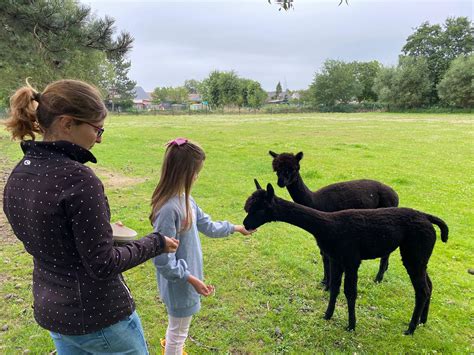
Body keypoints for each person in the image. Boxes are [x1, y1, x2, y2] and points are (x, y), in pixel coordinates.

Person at [2, 79, 179, 354]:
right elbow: (102, 264)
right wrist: (156, 243)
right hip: (101, 318)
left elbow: (53, 235)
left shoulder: (20, 173)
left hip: (55, 314)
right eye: (97, 129)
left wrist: (103, 231)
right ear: (67, 123)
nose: (99, 138)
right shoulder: (78, 179)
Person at [150, 138, 254, 355]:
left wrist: (236, 228)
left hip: (188, 278)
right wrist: (191, 279)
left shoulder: (187, 199)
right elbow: (162, 260)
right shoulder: (169, 209)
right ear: (184, 173)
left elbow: (208, 225)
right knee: (178, 333)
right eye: (196, 172)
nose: (198, 176)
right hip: (180, 282)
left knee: (178, 330)